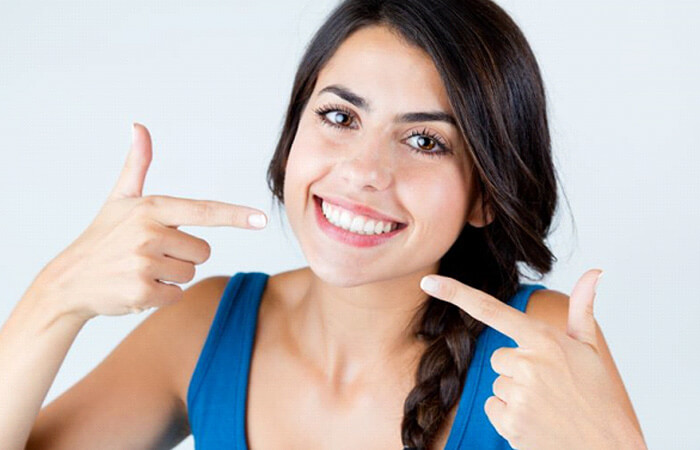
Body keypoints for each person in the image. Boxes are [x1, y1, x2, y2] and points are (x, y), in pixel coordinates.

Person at [0, 0, 647, 449]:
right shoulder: (205, 329)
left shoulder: (539, 348)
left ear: (487, 195)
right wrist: (56, 297)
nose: (364, 171)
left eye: (425, 141)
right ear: (293, 133)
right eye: (340, 118)